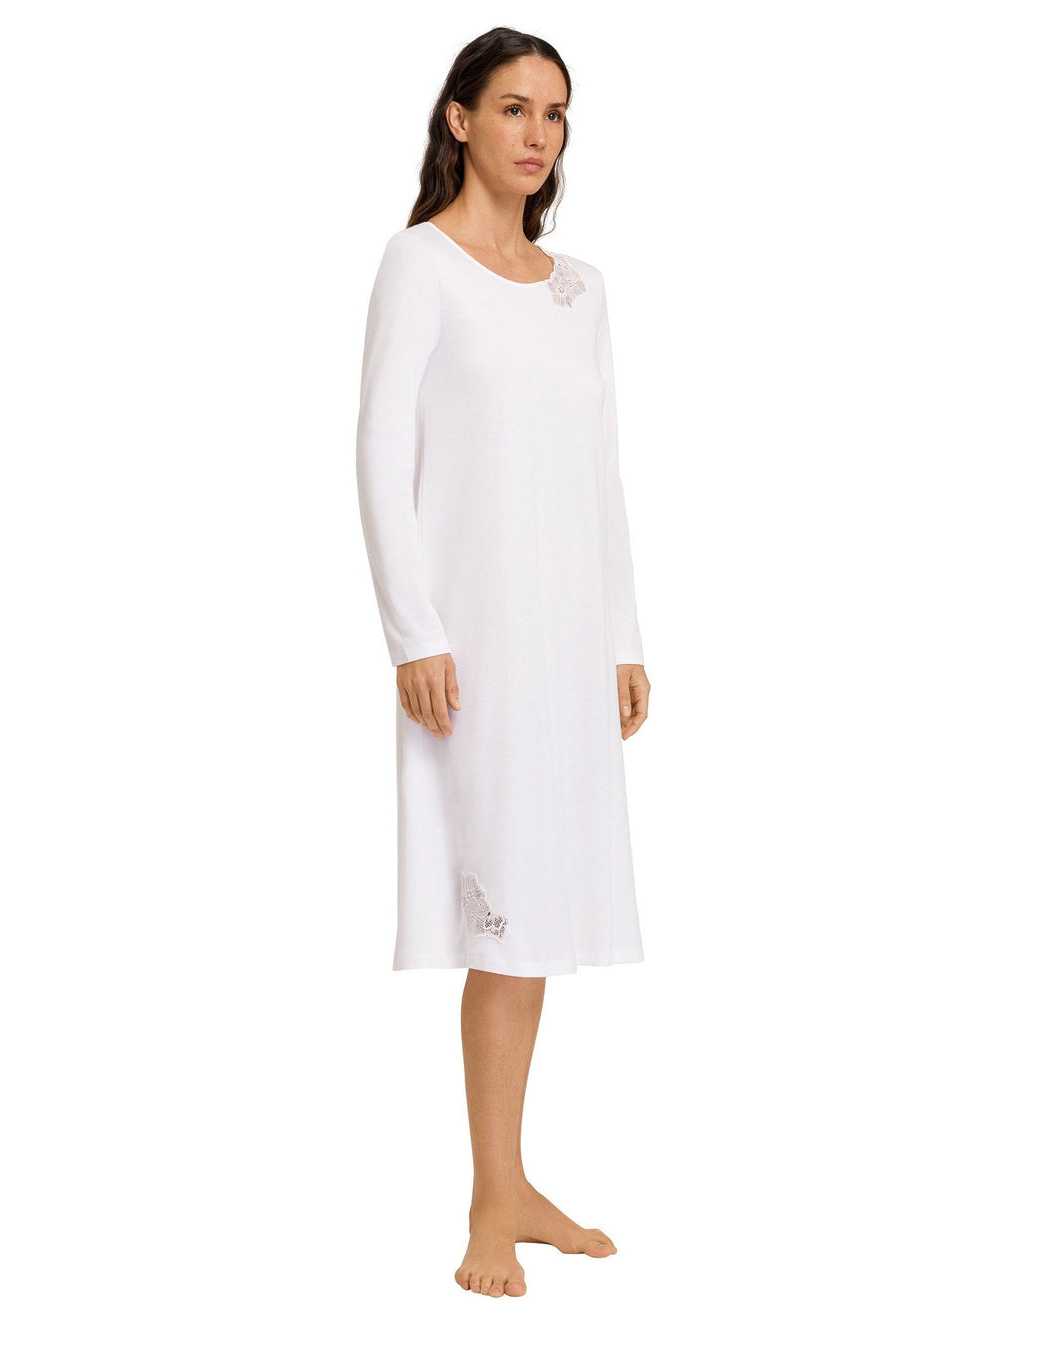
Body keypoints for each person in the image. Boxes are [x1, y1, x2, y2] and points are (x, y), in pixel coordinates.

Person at [355, 27, 651, 1299]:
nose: (539, 133)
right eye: (516, 107)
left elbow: (600, 473)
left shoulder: (580, 287)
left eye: (557, 114)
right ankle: (491, 1197)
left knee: (537, 912)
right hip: (474, 646)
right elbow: (379, 457)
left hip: (568, 645)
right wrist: (414, 631)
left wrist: (624, 640)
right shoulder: (418, 265)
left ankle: (512, 1181)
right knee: (500, 911)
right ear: (461, 118)